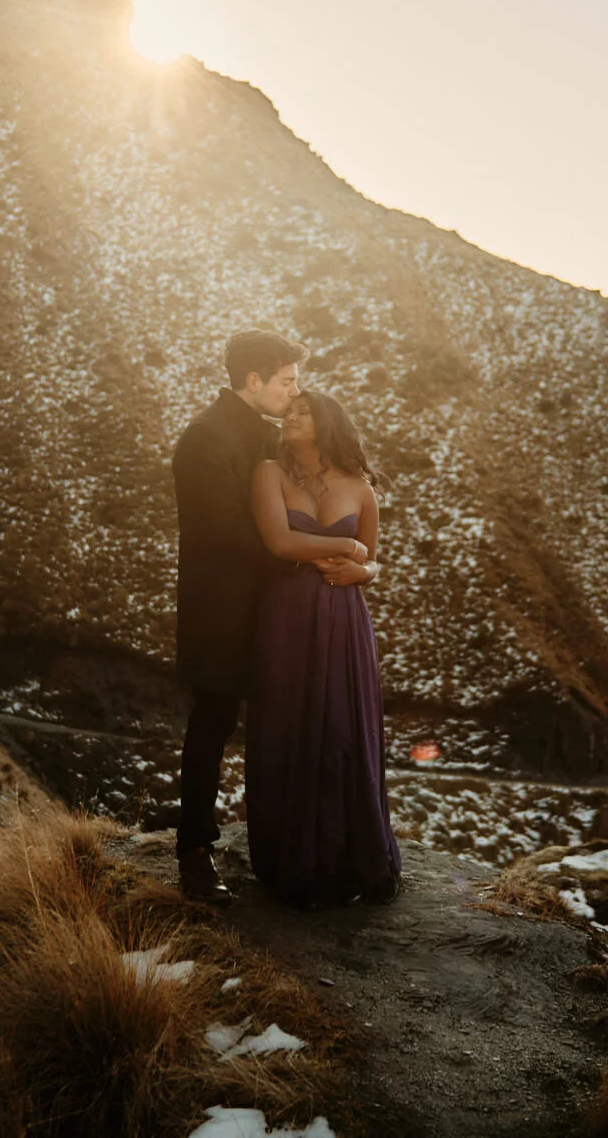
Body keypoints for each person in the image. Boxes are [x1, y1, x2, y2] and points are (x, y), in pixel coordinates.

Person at [170, 331, 368, 902]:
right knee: (212, 724)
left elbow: (331, 507)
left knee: (296, 723)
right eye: (286, 381)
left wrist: (354, 562)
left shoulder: (273, 438)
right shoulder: (203, 440)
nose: (294, 392)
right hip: (225, 611)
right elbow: (224, 534)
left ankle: (300, 845)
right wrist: (307, 556)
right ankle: (194, 852)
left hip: (284, 608)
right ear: (252, 381)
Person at [245, 390, 400, 908]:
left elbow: (372, 562)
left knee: (340, 727)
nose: (290, 416)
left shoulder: (361, 489)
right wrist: (344, 546)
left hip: (343, 621)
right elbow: (280, 543)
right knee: (289, 723)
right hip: (286, 617)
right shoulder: (269, 470)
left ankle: (344, 858)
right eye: (288, 410)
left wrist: (364, 567)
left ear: (328, 423)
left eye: (303, 411)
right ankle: (294, 858)